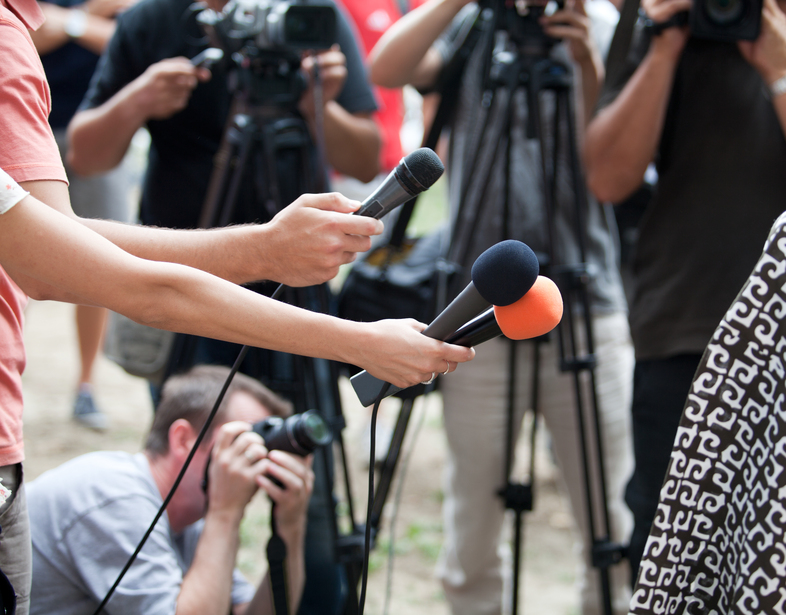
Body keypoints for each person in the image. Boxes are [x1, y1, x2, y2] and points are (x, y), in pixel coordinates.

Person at [0, 0, 475, 608]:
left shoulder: (315, 17)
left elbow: (55, 238)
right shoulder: (55, 32)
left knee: (305, 511)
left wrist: (317, 113)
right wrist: (351, 334)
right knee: (189, 492)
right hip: (184, 317)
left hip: (270, 298)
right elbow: (98, 269)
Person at [369, 1, 635, 614]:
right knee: (473, 521)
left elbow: (617, 168)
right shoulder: (474, 26)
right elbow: (387, 68)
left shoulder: (599, 29)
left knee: (609, 519)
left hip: (585, 304)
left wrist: (587, 63)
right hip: (477, 312)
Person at [582, 0, 786, 584]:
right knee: (672, 556)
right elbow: (608, 178)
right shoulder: (663, 15)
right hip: (685, 331)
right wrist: (664, 44)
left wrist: (778, 71)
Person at [28, 364, 313, 615]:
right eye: (242, 442)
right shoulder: (114, 496)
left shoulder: (191, 523)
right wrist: (225, 514)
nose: (256, 461)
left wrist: (291, 527)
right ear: (183, 439)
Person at [30, 0, 138, 431]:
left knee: (100, 261)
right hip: (29, 131)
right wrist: (90, 19)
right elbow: (23, 36)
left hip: (100, 140)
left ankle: (86, 385)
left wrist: (69, 21)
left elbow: (127, 42)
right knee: (14, 261)